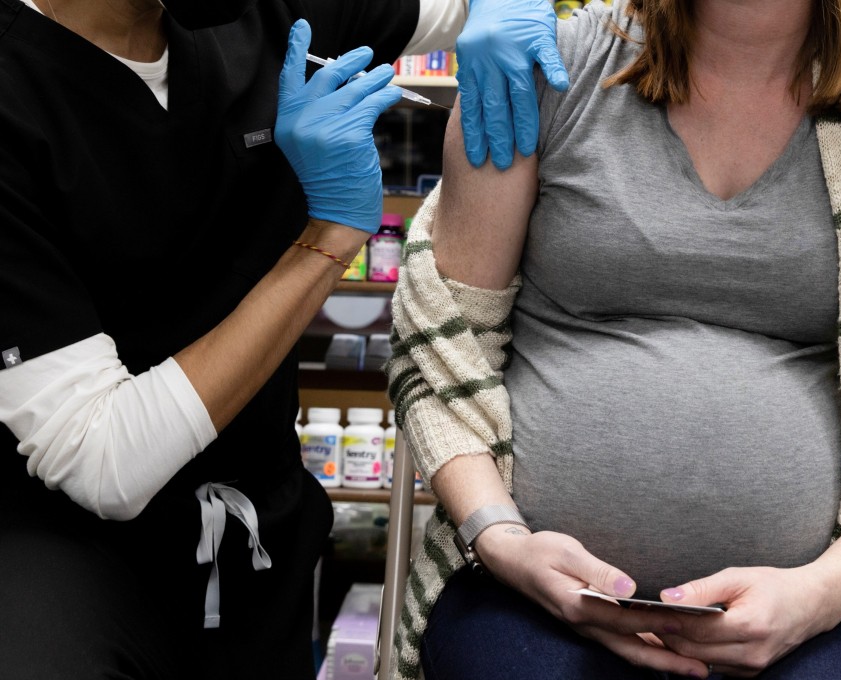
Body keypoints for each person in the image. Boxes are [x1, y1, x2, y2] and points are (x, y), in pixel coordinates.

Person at [385, 0, 841, 678]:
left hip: (815, 614)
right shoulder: (539, 74)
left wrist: (816, 597)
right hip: (521, 595)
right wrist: (497, 537)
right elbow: (442, 349)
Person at [0, 0, 567, 678]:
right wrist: (326, 239)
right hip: (66, 563)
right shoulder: (16, 96)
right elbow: (100, 457)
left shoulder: (277, 12)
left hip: (257, 535)